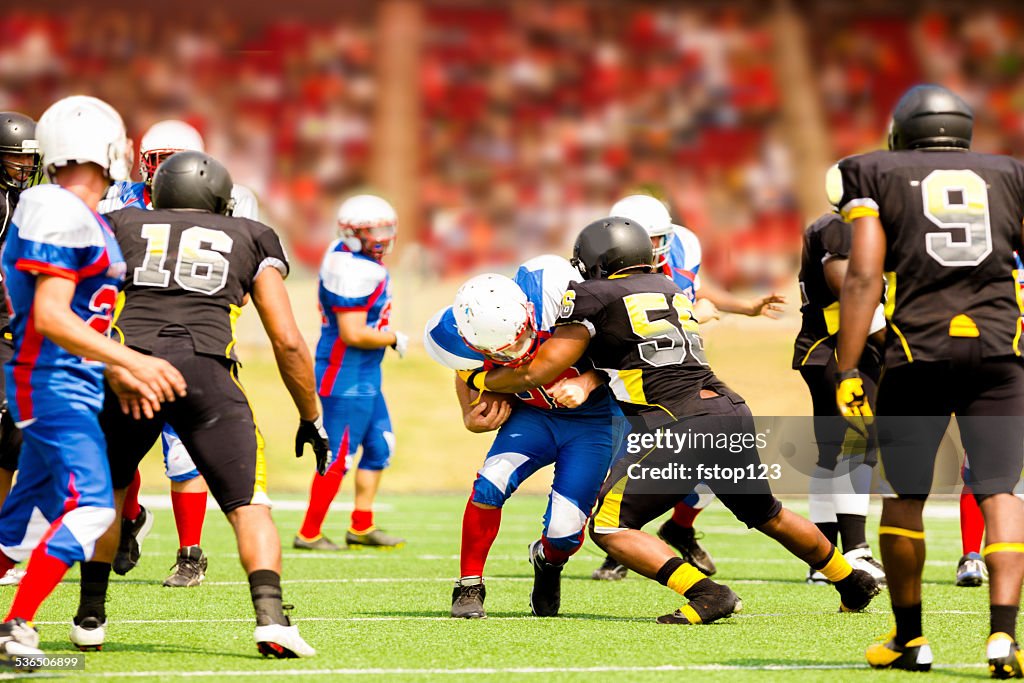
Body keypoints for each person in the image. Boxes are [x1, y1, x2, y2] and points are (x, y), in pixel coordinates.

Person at [470, 217, 880, 624]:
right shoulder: (669, 289)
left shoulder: (593, 295)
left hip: (678, 422)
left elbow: (539, 370)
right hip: (728, 409)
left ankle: (706, 593)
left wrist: (480, 378)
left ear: (595, 262)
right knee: (768, 514)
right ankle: (852, 581)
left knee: (610, 528)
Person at [836, 83, 1024, 674]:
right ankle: (1003, 638)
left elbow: (864, 275)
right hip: (999, 349)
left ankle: (910, 640)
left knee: (905, 497)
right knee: (999, 490)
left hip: (919, 351)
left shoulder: (873, 171)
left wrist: (848, 369)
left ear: (903, 132)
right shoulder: (1011, 175)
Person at [0, 95, 186, 667]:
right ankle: (16, 629)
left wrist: (110, 367)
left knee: (21, 525)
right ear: (110, 149)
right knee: (92, 508)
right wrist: (132, 361)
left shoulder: (71, 209)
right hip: (52, 380)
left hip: (68, 376)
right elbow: (53, 316)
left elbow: (80, 316)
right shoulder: (58, 208)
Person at [97, 119, 259, 587]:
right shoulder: (118, 200)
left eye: (175, 157)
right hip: (129, 340)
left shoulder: (231, 202)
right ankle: (129, 520)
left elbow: (245, 285)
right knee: (117, 453)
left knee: (184, 453)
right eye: (157, 157)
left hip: (200, 342)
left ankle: (191, 554)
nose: (166, 168)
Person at [591, 194, 786, 581]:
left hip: (680, 376)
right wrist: (695, 317)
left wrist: (744, 307)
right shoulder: (602, 271)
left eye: (660, 238)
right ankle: (619, 542)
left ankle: (677, 528)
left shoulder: (683, 246)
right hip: (632, 379)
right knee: (629, 462)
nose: (656, 248)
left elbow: (691, 289)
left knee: (711, 459)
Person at [424, 256, 620, 618]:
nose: (516, 354)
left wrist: (587, 381)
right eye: (500, 352)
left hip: (592, 422)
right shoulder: (465, 332)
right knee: (489, 483)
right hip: (534, 417)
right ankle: (469, 585)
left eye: (519, 340)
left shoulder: (559, 297)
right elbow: (466, 371)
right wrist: (469, 414)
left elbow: (624, 355)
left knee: (563, 534)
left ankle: (546, 560)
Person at [294, 195, 407, 550]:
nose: (384, 237)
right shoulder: (355, 269)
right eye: (376, 231)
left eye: (387, 229)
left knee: (379, 447)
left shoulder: (347, 256)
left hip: (363, 374)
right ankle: (308, 532)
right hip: (345, 374)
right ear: (354, 233)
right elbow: (353, 332)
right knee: (338, 456)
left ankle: (361, 525)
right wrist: (393, 337)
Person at [793, 166, 886, 586]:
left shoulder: (834, 225)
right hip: (838, 346)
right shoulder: (839, 226)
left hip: (828, 348)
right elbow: (849, 285)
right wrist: (889, 339)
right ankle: (854, 551)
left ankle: (823, 556)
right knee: (856, 443)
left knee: (833, 452)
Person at [0, 112, 41, 588]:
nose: (23, 166)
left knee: (13, 438)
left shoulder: (24, 200)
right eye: (15, 156)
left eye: (29, 159)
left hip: (14, 330)